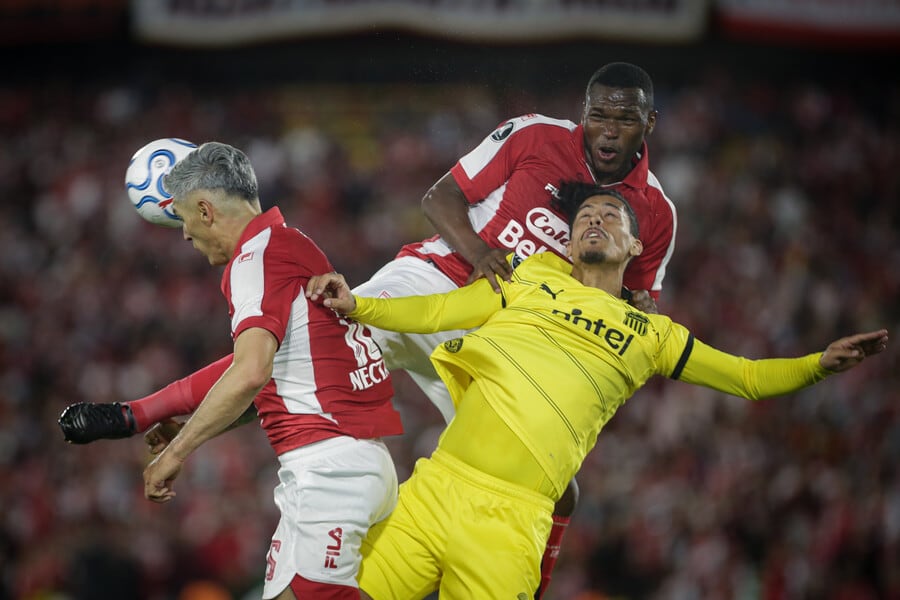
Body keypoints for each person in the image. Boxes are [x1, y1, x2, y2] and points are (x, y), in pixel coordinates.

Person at [59, 62, 675, 596]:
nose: (607, 131)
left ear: (648, 124)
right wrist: (479, 255)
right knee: (300, 338)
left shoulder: (656, 214)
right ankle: (138, 414)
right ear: (583, 112)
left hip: (493, 340)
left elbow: (636, 303)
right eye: (598, 115)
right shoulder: (538, 134)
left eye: (624, 121)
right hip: (431, 281)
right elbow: (440, 198)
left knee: (557, 488)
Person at [304, 181, 888, 598]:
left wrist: (819, 364)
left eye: (611, 217)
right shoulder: (529, 277)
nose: (594, 221)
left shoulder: (653, 335)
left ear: (635, 248)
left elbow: (748, 378)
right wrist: (359, 304)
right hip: (434, 490)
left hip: (510, 523)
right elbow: (438, 310)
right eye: (586, 217)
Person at [134, 141, 404, 600]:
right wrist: (198, 426)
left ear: (205, 210)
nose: (183, 236)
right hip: (342, 462)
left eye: (181, 219)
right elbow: (289, 373)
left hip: (330, 468)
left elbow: (250, 371)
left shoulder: (254, 260)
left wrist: (176, 453)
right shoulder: (289, 245)